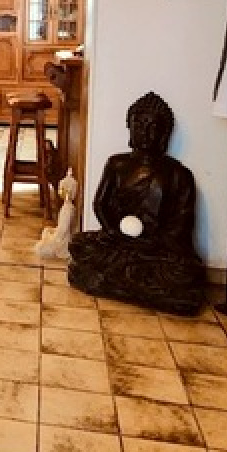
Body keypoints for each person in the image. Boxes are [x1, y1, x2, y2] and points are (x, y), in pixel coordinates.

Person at [67, 93, 206, 315]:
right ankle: (137, 281)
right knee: (80, 244)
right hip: (118, 241)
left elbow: (181, 225)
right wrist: (113, 231)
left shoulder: (178, 174)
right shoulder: (117, 164)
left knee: (184, 271)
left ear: (164, 134)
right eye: (139, 125)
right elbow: (101, 205)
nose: (144, 133)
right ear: (129, 128)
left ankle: (126, 279)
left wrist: (153, 242)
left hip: (156, 249)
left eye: (152, 127)